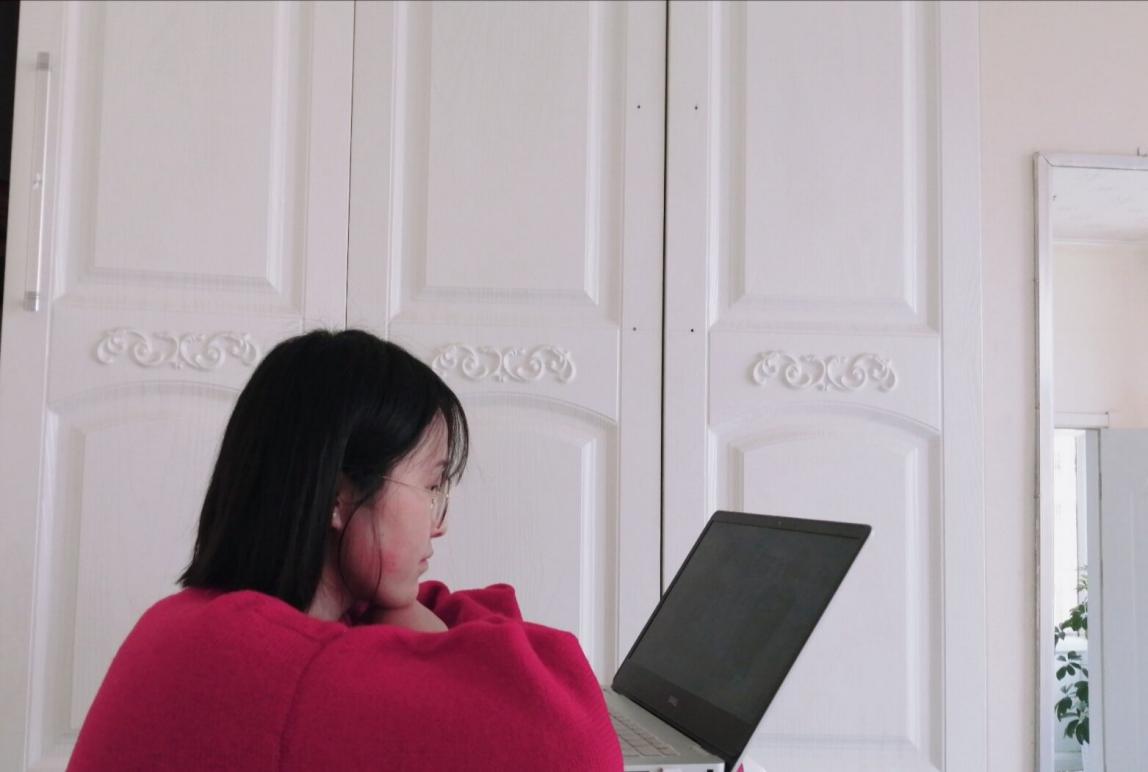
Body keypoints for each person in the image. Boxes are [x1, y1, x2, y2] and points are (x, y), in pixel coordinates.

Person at [68, 329, 623, 771]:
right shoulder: (293, 672)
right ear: (337, 497)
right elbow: (577, 747)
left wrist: (399, 606)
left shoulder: (192, 622)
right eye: (431, 486)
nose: (440, 525)